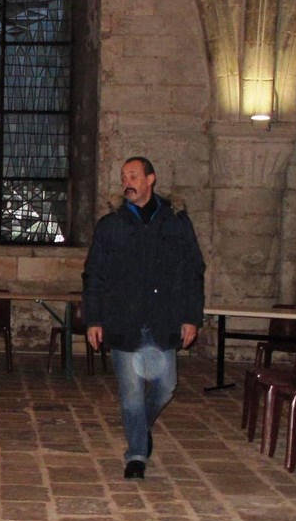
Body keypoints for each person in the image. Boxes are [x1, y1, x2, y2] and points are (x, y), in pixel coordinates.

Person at [84, 156, 206, 479]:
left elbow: (193, 272)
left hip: (163, 320)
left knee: (166, 386)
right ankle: (136, 454)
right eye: (124, 176)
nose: (128, 182)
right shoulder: (112, 225)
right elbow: (94, 274)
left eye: (134, 175)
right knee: (132, 393)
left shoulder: (176, 223)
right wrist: (94, 319)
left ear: (151, 179)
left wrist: (191, 317)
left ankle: (140, 426)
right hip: (124, 322)